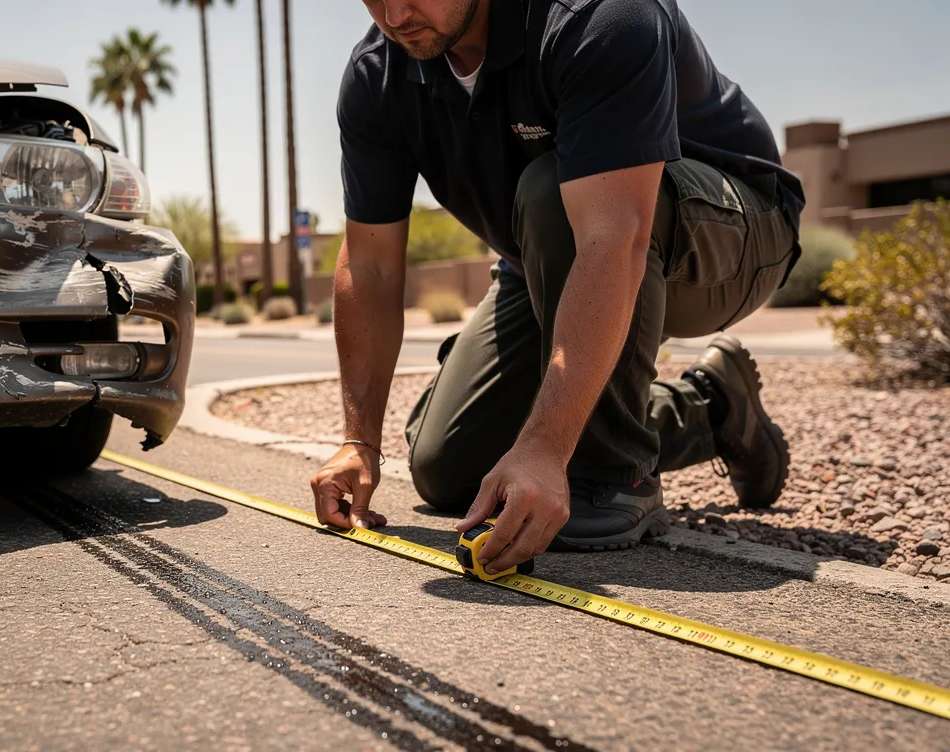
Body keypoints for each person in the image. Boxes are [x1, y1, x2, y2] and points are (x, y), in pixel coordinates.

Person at [310, 0, 805, 576]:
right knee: (449, 466)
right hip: (550, 251)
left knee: (551, 189)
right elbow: (369, 264)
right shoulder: (379, 73)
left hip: (731, 231)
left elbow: (615, 236)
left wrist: (547, 451)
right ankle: (712, 411)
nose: (394, 14)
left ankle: (619, 473)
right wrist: (359, 442)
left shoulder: (600, 15)